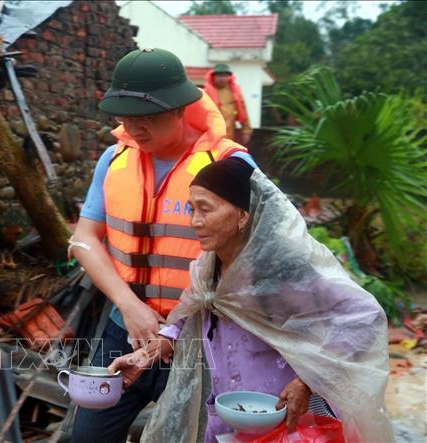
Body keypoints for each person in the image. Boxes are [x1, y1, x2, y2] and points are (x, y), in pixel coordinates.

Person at [109, 158, 394, 443]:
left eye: (205, 209)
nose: (194, 221)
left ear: (243, 215)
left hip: (285, 421)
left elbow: (363, 319)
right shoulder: (207, 269)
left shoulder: (286, 272)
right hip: (228, 419)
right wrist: (144, 356)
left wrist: (308, 382)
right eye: (192, 209)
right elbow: (188, 319)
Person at [68, 48, 258, 443]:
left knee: (196, 436)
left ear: (180, 109)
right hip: (126, 331)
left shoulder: (230, 166)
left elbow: (264, 258)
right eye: (126, 119)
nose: (135, 130)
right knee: (87, 434)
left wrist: (175, 328)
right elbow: (85, 238)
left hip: (202, 341)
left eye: (148, 119)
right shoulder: (113, 159)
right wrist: (129, 306)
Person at [204, 64, 252, 145]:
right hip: (210, 136)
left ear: (229, 77)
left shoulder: (235, 92)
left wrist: (246, 131)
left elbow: (243, 112)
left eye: (225, 75)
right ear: (213, 77)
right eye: (219, 75)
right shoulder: (205, 93)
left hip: (230, 135)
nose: (222, 78)